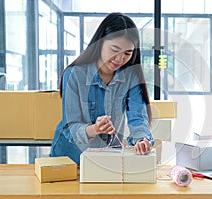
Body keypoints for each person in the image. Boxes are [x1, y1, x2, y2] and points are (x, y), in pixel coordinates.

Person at [50, 12, 154, 165]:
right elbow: (70, 128)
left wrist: (141, 140)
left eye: (127, 53)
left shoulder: (131, 77)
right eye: (114, 50)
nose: (120, 59)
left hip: (108, 159)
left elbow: (138, 118)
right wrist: (95, 129)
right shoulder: (74, 75)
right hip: (70, 159)